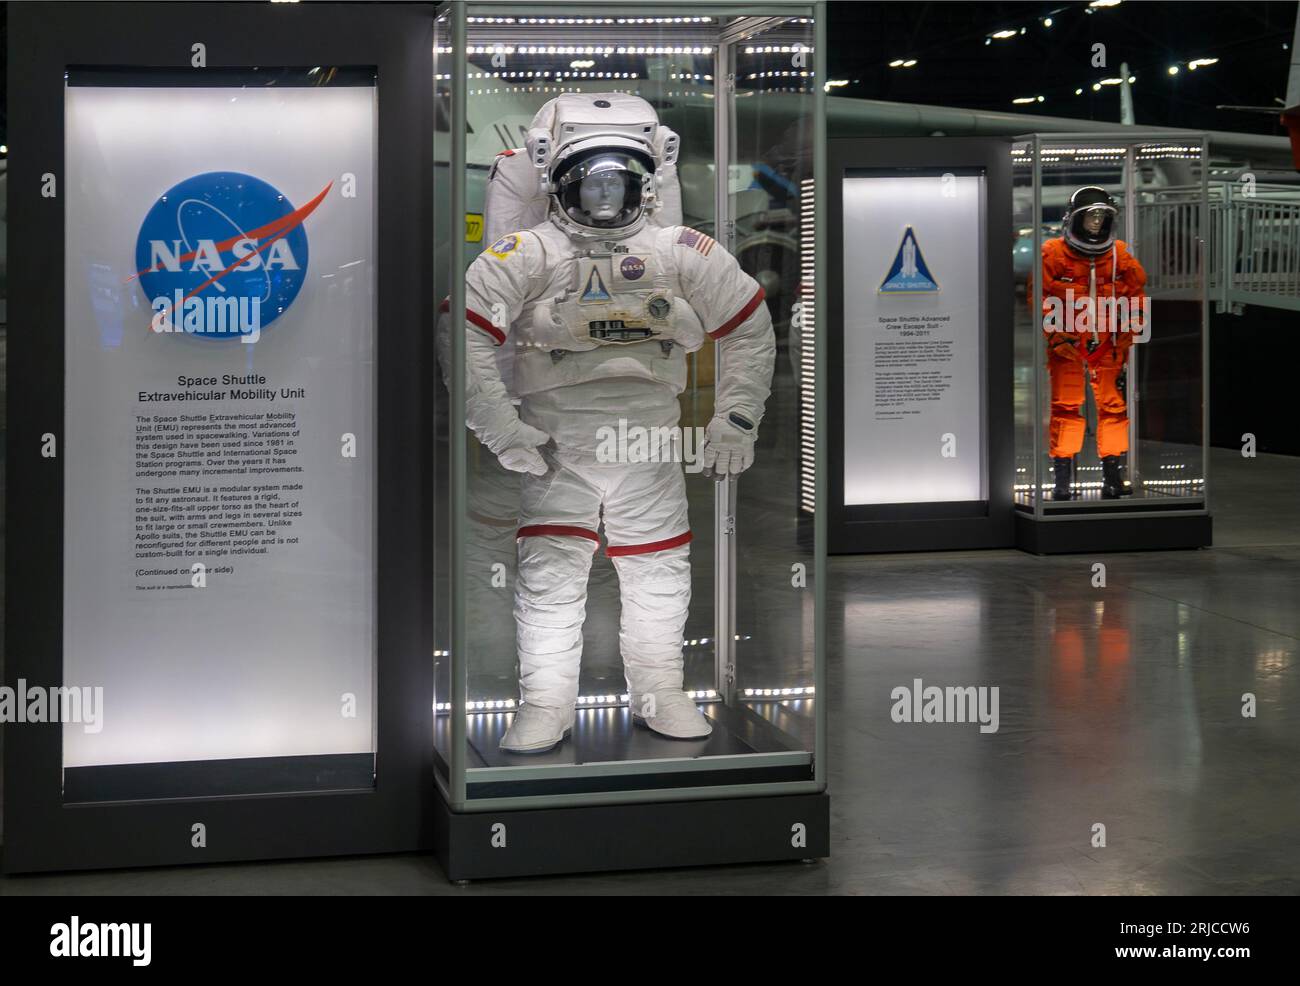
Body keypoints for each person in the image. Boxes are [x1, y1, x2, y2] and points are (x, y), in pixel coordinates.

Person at [458, 93, 775, 753]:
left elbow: (748, 325)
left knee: (659, 577)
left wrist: (735, 421)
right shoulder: (529, 253)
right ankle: (545, 704)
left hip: (648, 446)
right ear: (559, 179)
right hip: (556, 446)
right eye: (590, 180)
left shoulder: (676, 251)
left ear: (645, 180)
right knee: (549, 579)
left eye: (618, 180)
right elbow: (463, 333)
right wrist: (503, 430)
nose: (604, 196)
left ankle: (660, 691)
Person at [1035, 186, 1147, 500]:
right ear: (1075, 218)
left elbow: (1136, 296)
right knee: (1066, 409)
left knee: (1113, 410)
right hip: (1069, 344)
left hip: (1108, 344)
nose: (1096, 222)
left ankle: (1112, 477)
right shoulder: (1053, 253)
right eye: (1091, 215)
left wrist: (1129, 330)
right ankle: (1062, 481)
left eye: (1102, 215)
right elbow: (1040, 298)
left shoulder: (1119, 255)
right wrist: (1057, 336)